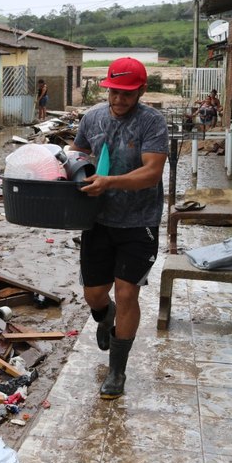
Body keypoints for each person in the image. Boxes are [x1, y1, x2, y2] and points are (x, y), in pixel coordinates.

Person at [70, 57, 169, 399]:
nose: (118, 100)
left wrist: (109, 181)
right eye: (114, 91)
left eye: (127, 94)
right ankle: (104, 314)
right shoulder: (92, 117)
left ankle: (117, 371)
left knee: (128, 292)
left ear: (141, 90)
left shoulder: (152, 123)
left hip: (138, 222)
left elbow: (152, 173)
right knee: (94, 294)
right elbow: (78, 154)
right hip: (96, 221)